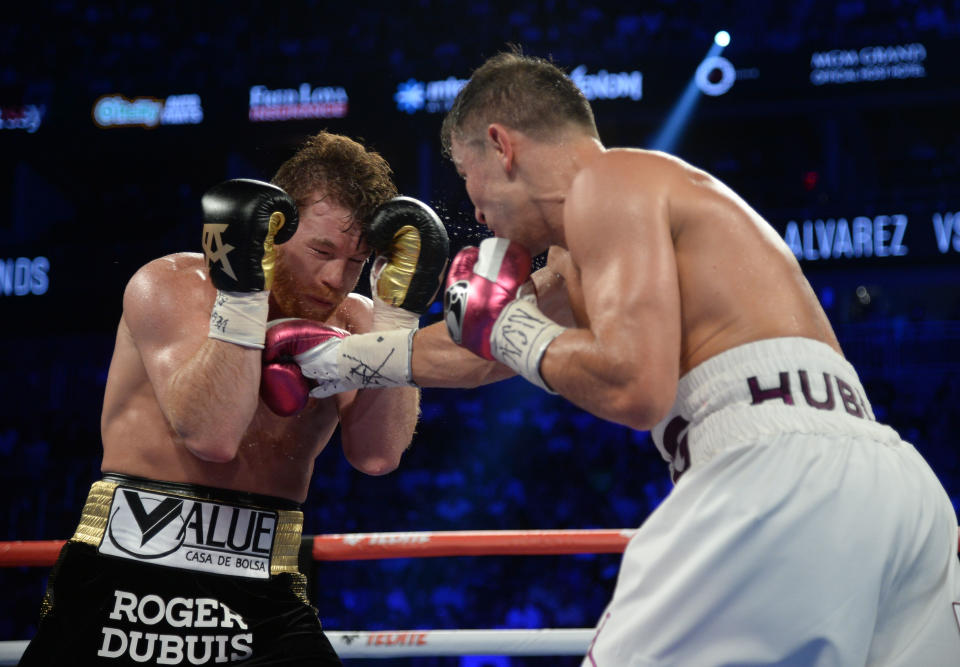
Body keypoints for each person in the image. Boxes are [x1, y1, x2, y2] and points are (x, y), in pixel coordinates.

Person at [303, 51, 960, 664]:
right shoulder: (603, 231)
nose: (476, 210)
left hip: (774, 469)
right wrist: (332, 360)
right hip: (897, 489)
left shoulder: (608, 182)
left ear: (502, 145)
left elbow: (634, 386)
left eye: (469, 179)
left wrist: (512, 330)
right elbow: (477, 350)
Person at [19, 130, 448, 666]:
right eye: (322, 250)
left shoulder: (357, 320)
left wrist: (397, 320)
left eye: (358, 261)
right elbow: (213, 436)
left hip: (262, 588)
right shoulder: (174, 285)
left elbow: (378, 455)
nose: (336, 278)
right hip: (125, 573)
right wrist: (243, 293)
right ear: (272, 228)